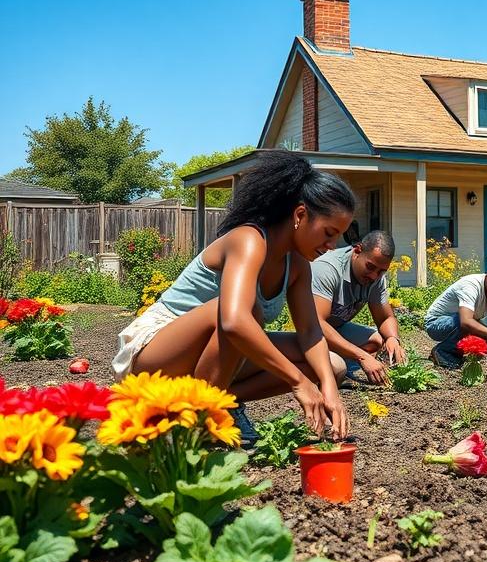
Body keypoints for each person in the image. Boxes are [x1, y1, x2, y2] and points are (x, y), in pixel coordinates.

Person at [111, 150, 355, 441]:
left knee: (333, 364)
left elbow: (310, 331)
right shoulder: (249, 240)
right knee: (244, 313)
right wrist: (298, 381)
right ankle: (198, 423)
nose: (332, 245)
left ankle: (222, 403)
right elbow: (234, 322)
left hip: (210, 360)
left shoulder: (298, 265)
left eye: (338, 236)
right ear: (300, 215)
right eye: (328, 233)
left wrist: (328, 386)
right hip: (153, 354)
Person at [309, 230, 408, 385]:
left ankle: (343, 366)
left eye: (381, 271)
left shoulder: (375, 278)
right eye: (370, 267)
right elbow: (316, 324)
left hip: (337, 328)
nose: (374, 276)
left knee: (377, 340)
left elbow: (385, 317)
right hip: (312, 334)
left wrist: (393, 339)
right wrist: (361, 356)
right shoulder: (327, 269)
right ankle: (332, 366)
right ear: (357, 251)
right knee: (336, 370)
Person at [424, 260, 487, 368]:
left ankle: (457, 354)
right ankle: (442, 352)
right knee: (466, 323)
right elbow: (466, 322)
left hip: (461, 325)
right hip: (436, 324)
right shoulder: (471, 286)